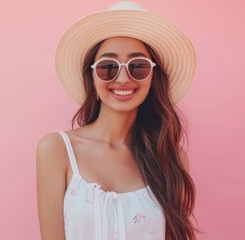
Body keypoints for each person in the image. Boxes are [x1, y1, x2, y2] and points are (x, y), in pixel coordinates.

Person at [36, 1, 200, 239]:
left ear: (154, 77)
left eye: (138, 66)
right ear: (91, 75)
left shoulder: (171, 159)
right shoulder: (57, 150)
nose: (123, 78)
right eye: (108, 67)